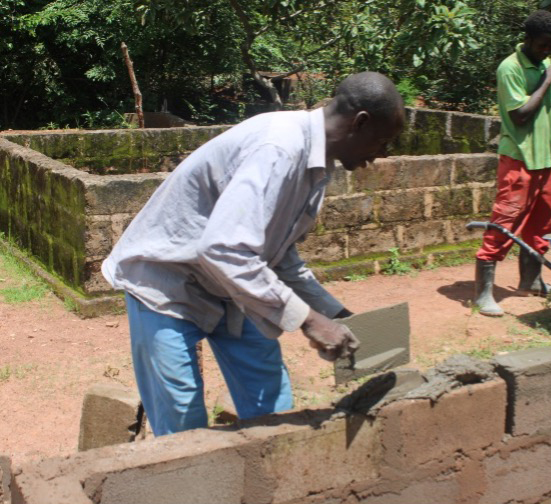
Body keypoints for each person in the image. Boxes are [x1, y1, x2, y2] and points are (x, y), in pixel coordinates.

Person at [101, 72, 405, 436]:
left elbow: (280, 255)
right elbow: (225, 249)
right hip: (168, 284)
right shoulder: (279, 149)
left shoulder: (317, 165)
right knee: (183, 429)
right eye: (383, 141)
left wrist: (336, 315)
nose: (382, 154)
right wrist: (309, 321)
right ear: (360, 123)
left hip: (232, 285)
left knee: (272, 409)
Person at [473, 10, 551, 317]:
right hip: (519, 159)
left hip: (543, 161)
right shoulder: (510, 69)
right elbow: (521, 114)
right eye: (542, 45)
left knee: (542, 225)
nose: (546, 52)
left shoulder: (543, 66)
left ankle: (532, 281)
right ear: (527, 39)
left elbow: (546, 115)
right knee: (504, 223)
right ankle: (482, 294)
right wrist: (547, 79)